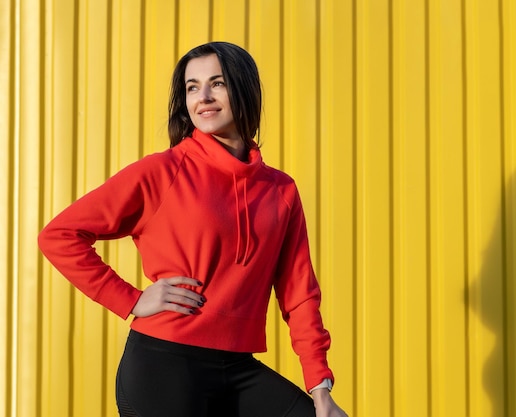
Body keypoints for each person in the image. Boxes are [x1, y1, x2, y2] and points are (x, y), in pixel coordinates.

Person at [38, 41, 348, 417]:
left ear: (244, 90)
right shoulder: (163, 172)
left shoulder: (280, 191)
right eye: (191, 87)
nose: (203, 97)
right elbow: (59, 235)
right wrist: (131, 300)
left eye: (217, 83)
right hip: (163, 366)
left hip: (236, 368)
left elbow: (299, 295)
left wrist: (320, 388)